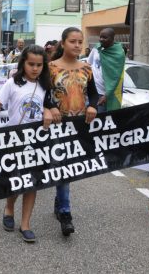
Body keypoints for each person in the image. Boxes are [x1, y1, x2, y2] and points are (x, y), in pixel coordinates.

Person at [0, 44, 53, 242]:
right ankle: (9, 208)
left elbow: (48, 105)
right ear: (23, 63)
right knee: (16, 180)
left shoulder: (45, 84)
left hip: (37, 143)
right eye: (31, 64)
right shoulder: (12, 84)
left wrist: (48, 111)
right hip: (14, 142)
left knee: (32, 183)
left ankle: (25, 224)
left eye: (39, 65)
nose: (35, 68)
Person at [49, 27, 98, 236]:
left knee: (68, 167)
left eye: (80, 41)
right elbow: (42, 94)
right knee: (62, 166)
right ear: (63, 43)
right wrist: (50, 107)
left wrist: (92, 105)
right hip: (56, 125)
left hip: (79, 125)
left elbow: (94, 94)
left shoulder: (87, 68)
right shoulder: (50, 67)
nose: (77, 45)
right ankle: (65, 212)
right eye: (72, 41)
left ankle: (61, 204)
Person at [87, 28, 125, 112]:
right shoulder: (96, 48)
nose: (101, 39)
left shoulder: (119, 54)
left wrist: (106, 96)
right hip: (92, 91)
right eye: (100, 37)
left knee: (102, 120)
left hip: (105, 94)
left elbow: (116, 77)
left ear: (112, 38)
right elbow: (88, 64)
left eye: (105, 37)